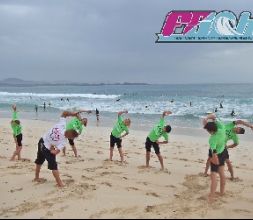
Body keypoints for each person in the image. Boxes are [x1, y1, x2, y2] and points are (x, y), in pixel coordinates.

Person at [34, 111, 83, 187]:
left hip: (41, 141)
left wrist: (73, 114)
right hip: (46, 148)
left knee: (39, 161)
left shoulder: (62, 125)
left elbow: (64, 113)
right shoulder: (63, 142)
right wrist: (51, 150)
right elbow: (55, 152)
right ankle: (60, 184)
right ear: (71, 137)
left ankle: (36, 178)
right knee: (54, 165)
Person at [203, 114, 227, 201]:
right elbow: (214, 117)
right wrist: (208, 118)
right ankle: (222, 192)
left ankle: (211, 197)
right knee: (222, 174)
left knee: (213, 176)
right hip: (223, 152)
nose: (208, 132)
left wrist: (214, 158)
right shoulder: (222, 128)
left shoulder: (212, 139)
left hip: (216, 155)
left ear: (211, 131)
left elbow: (213, 151)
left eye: (208, 131)